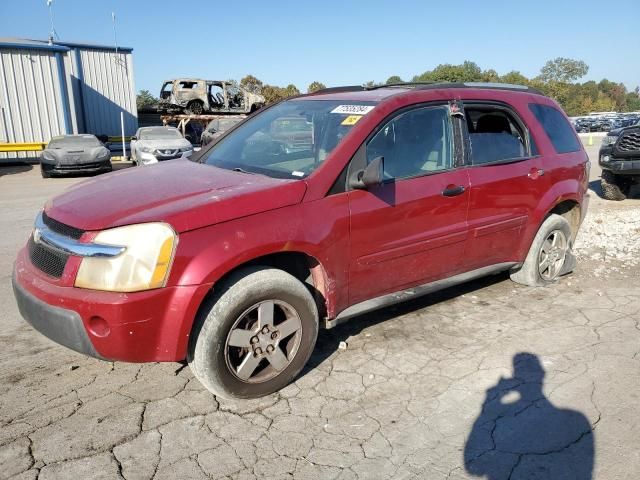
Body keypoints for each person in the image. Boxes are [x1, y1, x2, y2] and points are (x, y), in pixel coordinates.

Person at [464, 353, 594, 479]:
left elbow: (474, 469)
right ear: (542, 375)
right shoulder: (578, 418)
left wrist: (490, 399)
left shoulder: (576, 418)